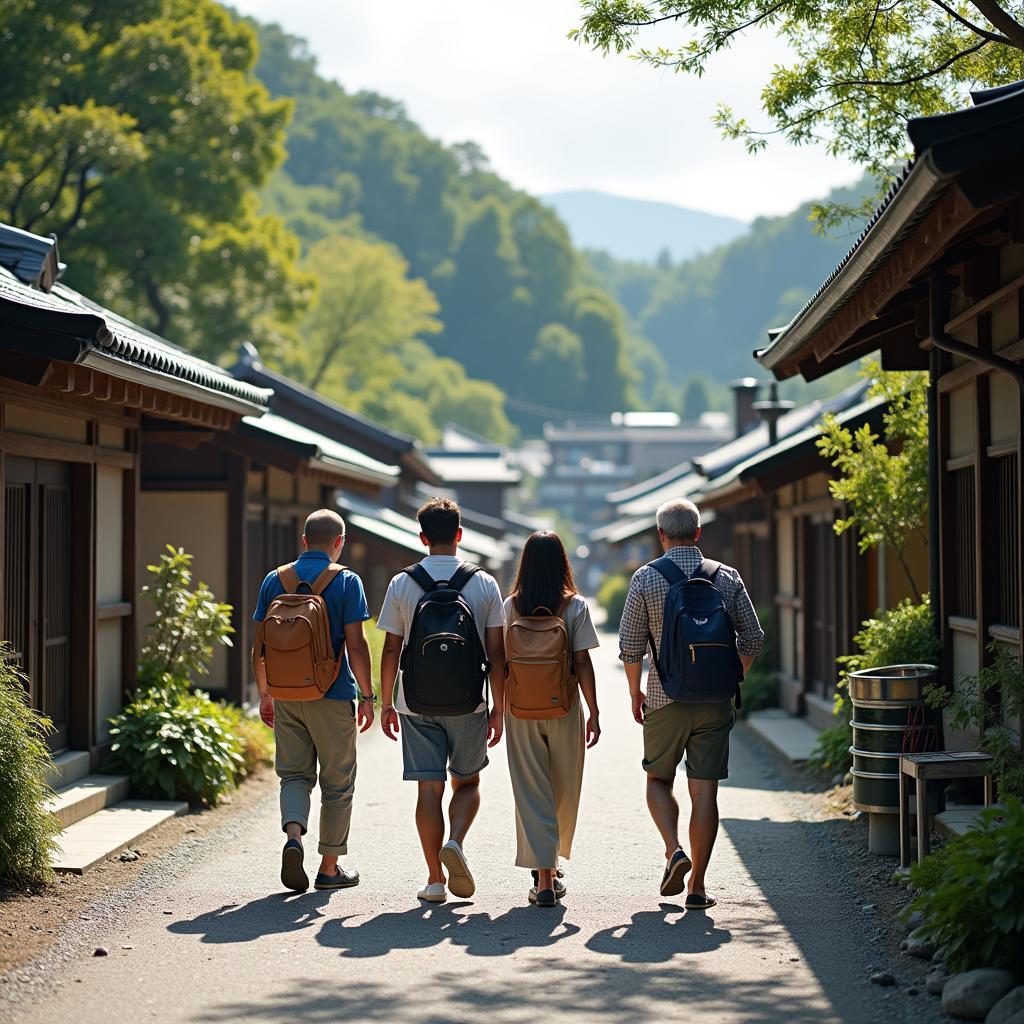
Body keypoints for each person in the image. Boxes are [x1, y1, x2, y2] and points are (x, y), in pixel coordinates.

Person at [618, 498, 763, 909]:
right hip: (716, 700)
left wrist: (635, 692)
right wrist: (731, 675)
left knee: (658, 780)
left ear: (660, 535)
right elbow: (753, 638)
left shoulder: (646, 579)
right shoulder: (727, 577)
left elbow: (630, 647)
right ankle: (698, 887)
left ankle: (673, 850)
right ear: (698, 533)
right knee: (705, 793)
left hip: (665, 697)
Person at [377, 497, 506, 904]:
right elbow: (497, 654)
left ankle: (435, 880)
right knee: (467, 782)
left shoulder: (402, 582)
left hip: (415, 703)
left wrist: (384, 703)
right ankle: (455, 840)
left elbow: (390, 650)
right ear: (460, 535)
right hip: (470, 702)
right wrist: (498, 707)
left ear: (422, 537)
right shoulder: (483, 583)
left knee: (428, 790)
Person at [252, 509, 376, 893]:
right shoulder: (347, 581)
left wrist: (265, 695)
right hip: (333, 694)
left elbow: (259, 647)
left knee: (294, 775)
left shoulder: (275, 579)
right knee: (337, 784)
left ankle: (294, 838)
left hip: (287, 694)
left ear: (304, 541)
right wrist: (368, 697)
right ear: (340, 543)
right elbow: (356, 645)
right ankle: (328, 868)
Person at [503, 531, 601, 908]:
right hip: (565, 707)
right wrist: (594, 710)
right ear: (563, 562)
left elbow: (500, 661)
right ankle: (551, 869)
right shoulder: (575, 607)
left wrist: (499, 706)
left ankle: (543, 877)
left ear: (524, 564)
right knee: (563, 786)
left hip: (520, 708)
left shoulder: (511, 606)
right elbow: (582, 662)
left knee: (530, 788)